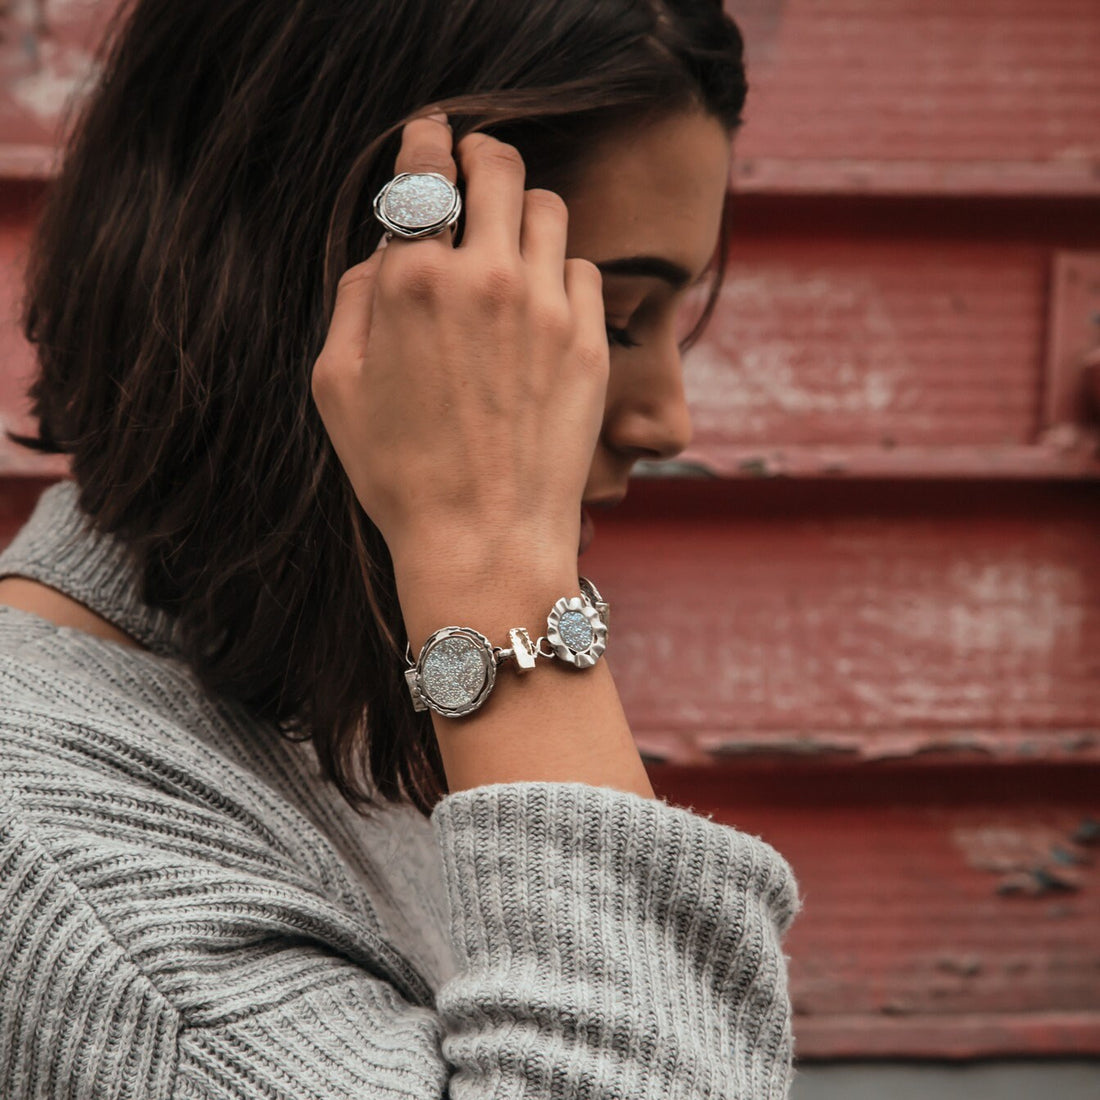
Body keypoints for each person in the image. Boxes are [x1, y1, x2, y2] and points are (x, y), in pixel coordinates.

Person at [0, 0, 801, 1096]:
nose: (668, 418)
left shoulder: (318, 682)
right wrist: (493, 560)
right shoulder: (57, 857)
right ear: (334, 296)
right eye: (609, 317)